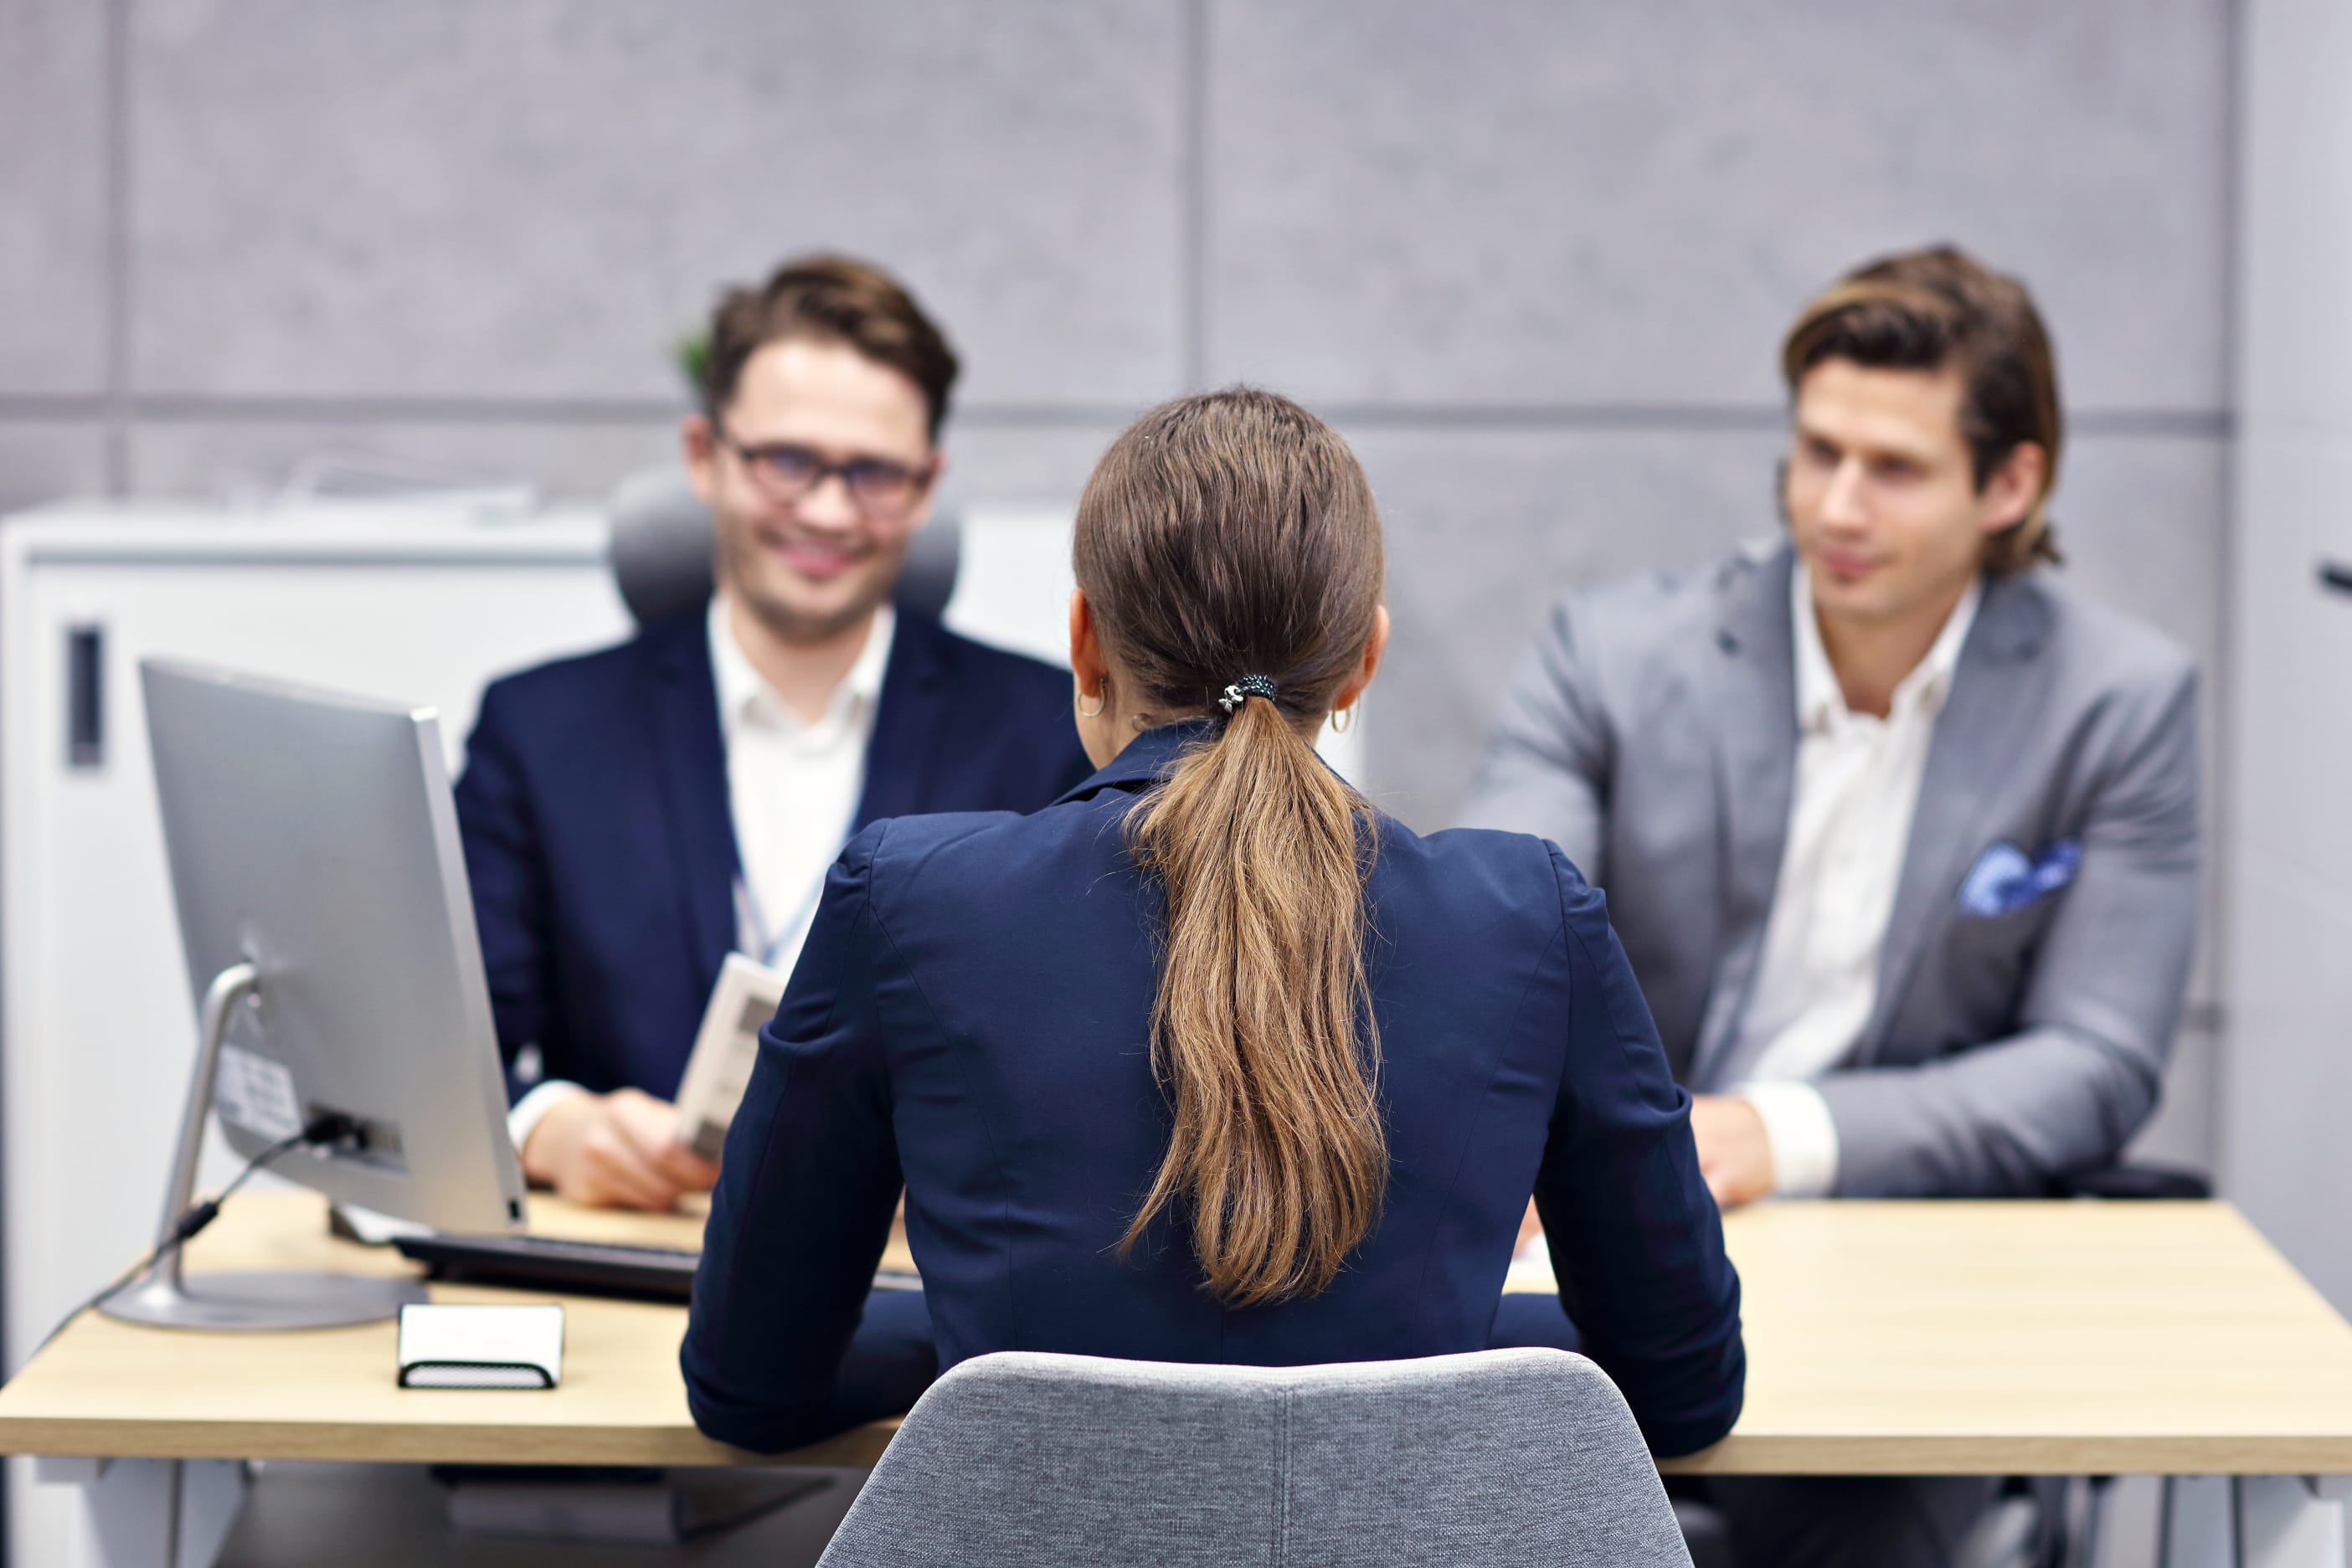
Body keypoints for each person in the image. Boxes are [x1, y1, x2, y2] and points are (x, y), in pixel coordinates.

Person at [681, 388, 1745, 1460]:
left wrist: (985, 1342)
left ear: (1084, 642)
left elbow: (749, 1384)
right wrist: (1449, 1336)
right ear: (1363, 661)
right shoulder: (1525, 915)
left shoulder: (909, 898)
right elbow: (1682, 1385)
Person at [1464, 245, 2200, 1565]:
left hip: (1914, 1282)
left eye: (1894, 467)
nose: (1836, 506)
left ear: (2010, 485)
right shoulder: (1612, 657)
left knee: (1848, 1530)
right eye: (1817, 452)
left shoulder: (2117, 703)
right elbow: (1495, 950)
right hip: (1613, 1248)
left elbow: (2096, 1060)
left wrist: (1776, 1132)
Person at [455, 255, 1092, 1213]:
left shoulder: (1051, 736)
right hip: (632, 1246)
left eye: (875, 474)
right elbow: (450, 1048)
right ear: (704, 456)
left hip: (918, 1269)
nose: (829, 512)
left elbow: (1095, 1061)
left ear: (927, 486)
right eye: (788, 462)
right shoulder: (542, 732)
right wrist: (546, 1127)